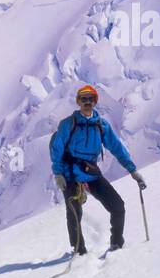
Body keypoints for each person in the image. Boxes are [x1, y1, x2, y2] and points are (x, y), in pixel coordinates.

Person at [49, 85, 146, 254]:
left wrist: (133, 170)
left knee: (117, 206)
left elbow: (117, 148)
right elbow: (56, 148)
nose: (87, 102)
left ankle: (116, 244)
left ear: (95, 102)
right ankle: (79, 251)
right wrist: (58, 173)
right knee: (74, 212)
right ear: (78, 102)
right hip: (70, 174)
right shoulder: (68, 124)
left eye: (90, 99)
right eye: (84, 99)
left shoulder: (101, 126)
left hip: (91, 173)